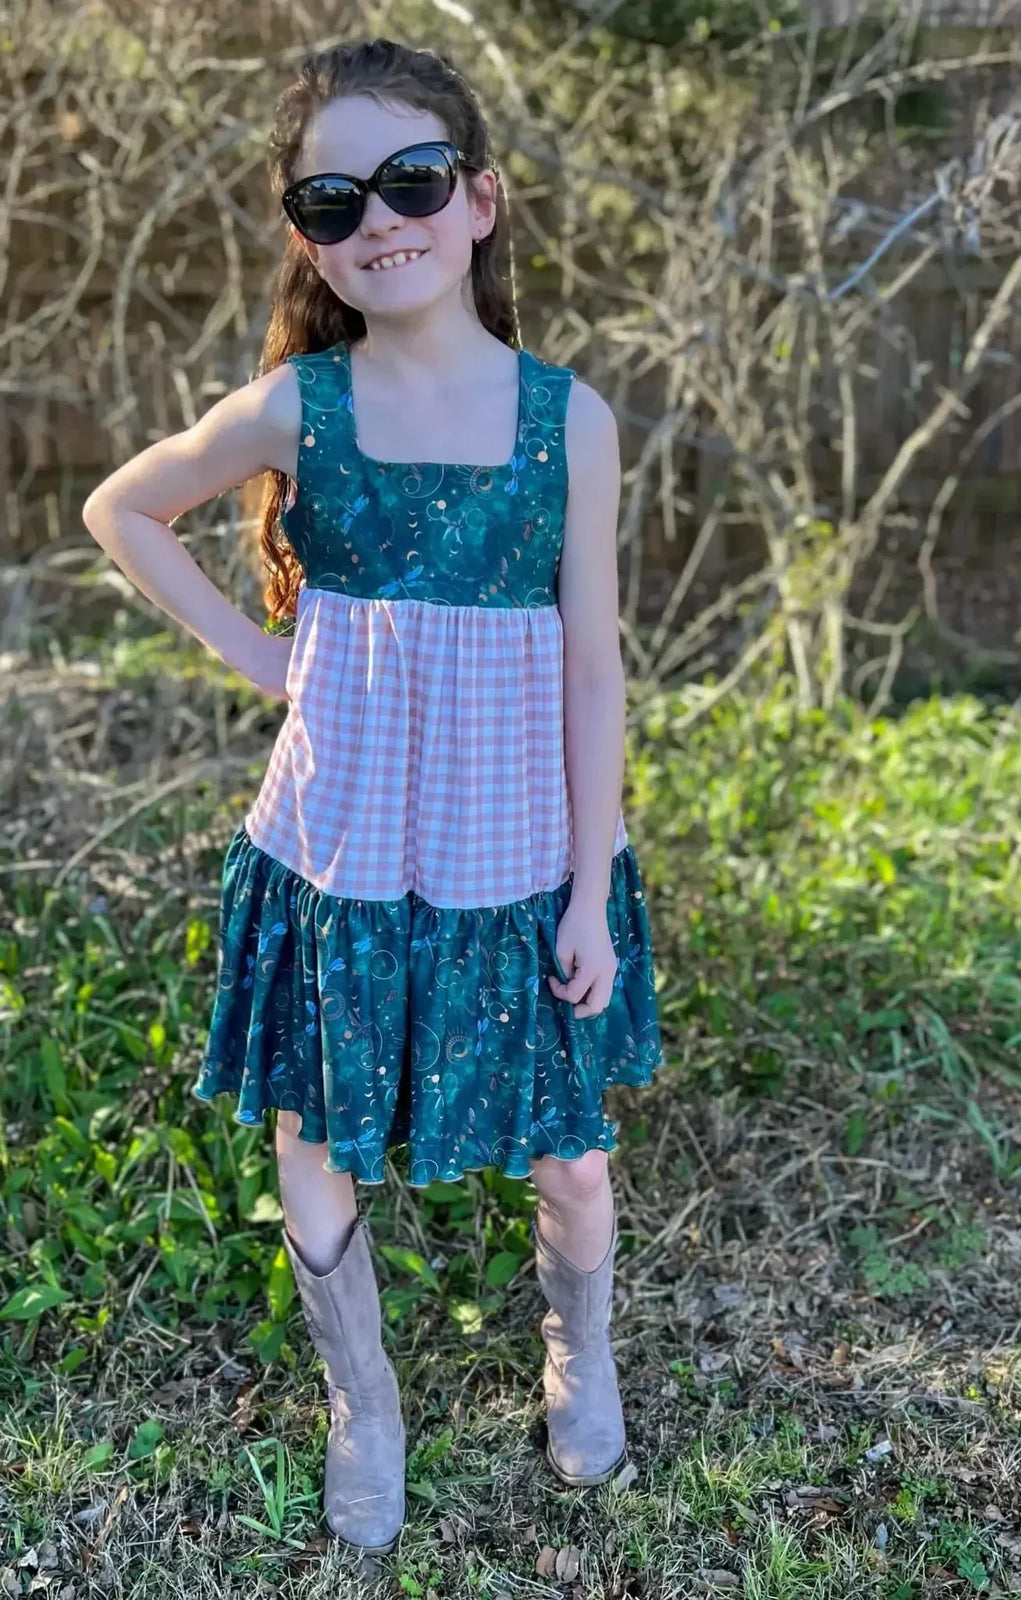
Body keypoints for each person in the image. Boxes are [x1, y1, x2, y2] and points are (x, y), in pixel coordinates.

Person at [82, 36, 666, 1555]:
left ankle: (579, 1349)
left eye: (411, 181)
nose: (379, 220)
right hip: (335, 851)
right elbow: (124, 507)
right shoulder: (302, 406)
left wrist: (593, 884)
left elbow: (593, 667)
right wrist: (256, 654)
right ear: (308, 236)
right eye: (334, 198)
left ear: (477, 200)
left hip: (516, 856)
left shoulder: (566, 420)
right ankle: (367, 1405)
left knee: (575, 1150)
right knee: (315, 1142)